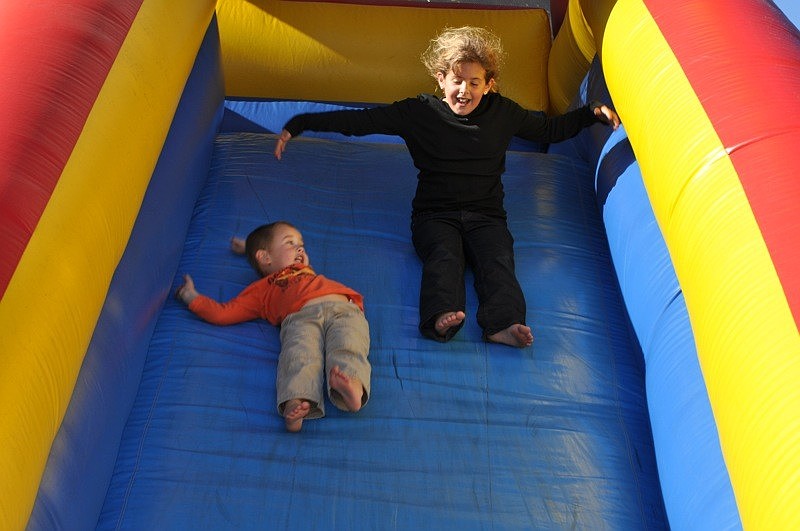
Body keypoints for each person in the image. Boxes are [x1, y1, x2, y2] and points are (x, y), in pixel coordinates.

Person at [273, 26, 620, 348]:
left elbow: (550, 131)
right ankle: (441, 317)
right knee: (444, 258)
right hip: (434, 214)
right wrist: (300, 122)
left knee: (497, 260)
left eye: (474, 82)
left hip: (487, 214)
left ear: (489, 84)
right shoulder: (419, 113)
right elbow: (359, 121)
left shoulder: (503, 113)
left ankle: (503, 324)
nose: (464, 91)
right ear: (441, 80)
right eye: (457, 80)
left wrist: (591, 112)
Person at [175, 221, 371, 433]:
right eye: (291, 243)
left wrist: (246, 248)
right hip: (300, 318)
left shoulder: (304, 270)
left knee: (348, 345)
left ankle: (353, 390)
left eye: (301, 244)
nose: (300, 248)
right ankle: (295, 404)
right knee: (299, 356)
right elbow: (223, 312)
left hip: (344, 309)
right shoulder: (262, 290)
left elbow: (266, 251)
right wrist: (190, 297)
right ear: (265, 258)